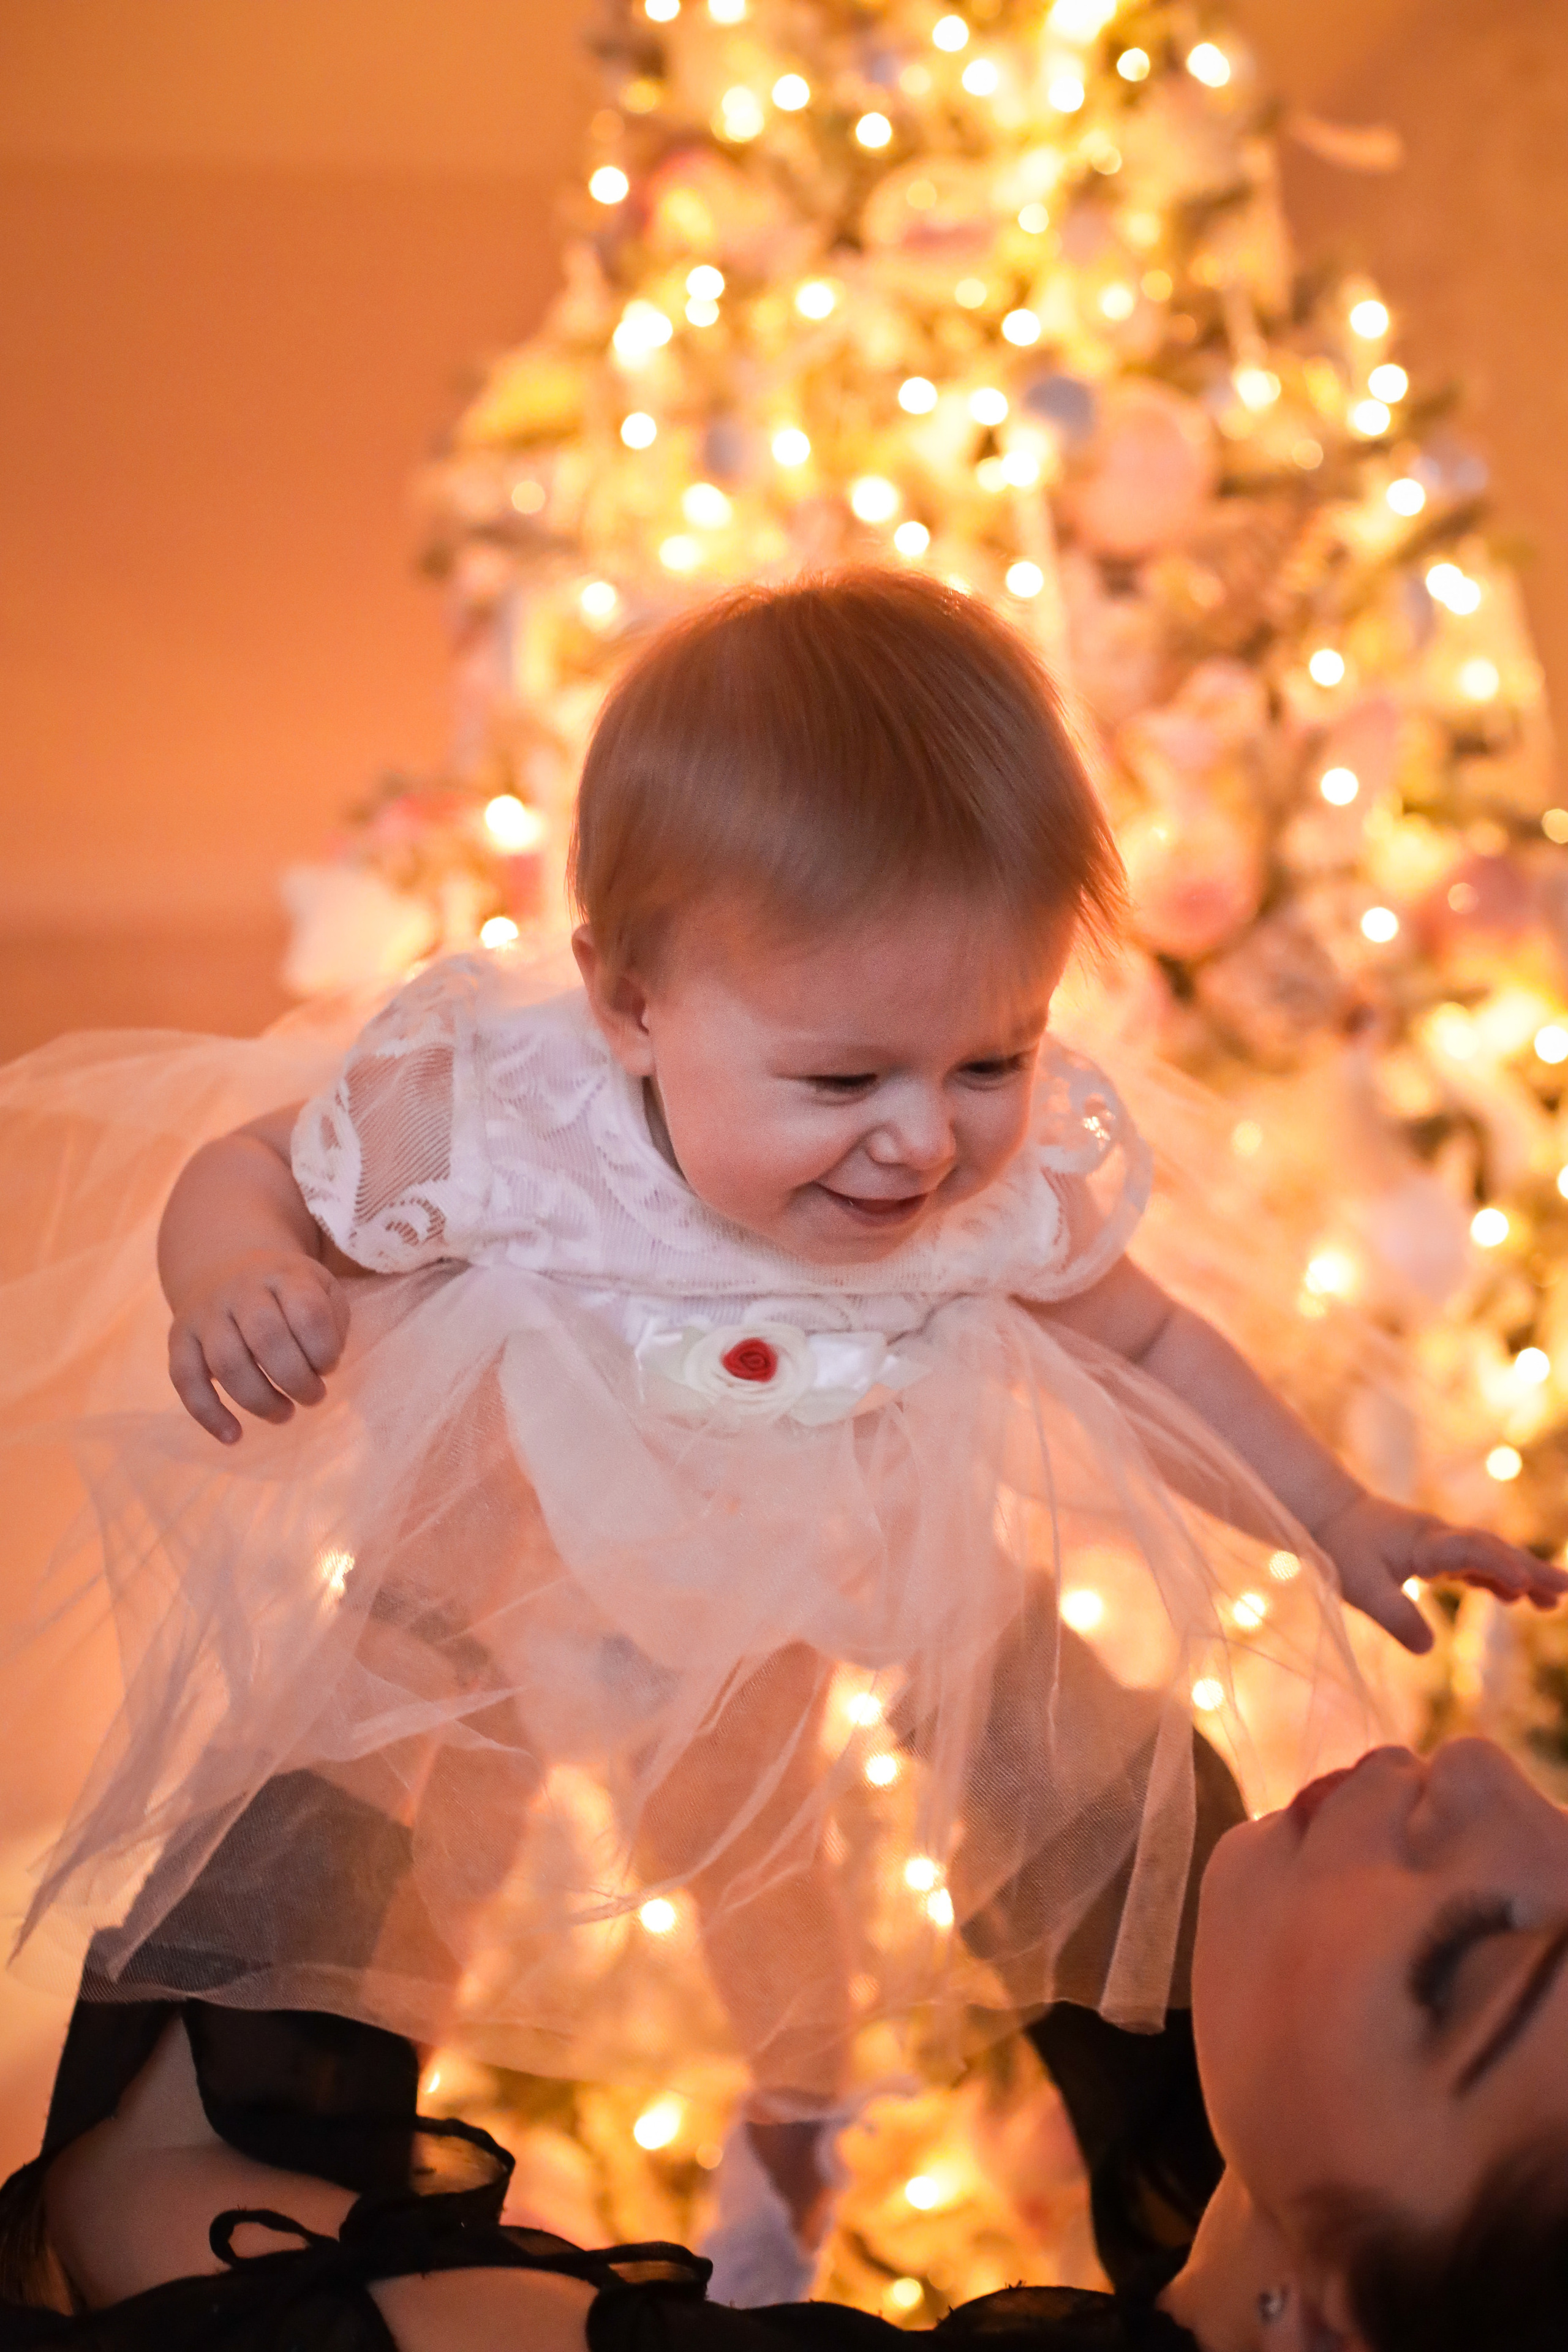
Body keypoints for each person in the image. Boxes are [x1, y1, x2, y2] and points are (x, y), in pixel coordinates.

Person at [5, 573, 1559, 2303]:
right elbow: (249, 1169)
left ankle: (808, 2096)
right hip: (528, 1561)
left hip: (834, 1559)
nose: (924, 1145)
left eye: (998, 1056)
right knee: (421, 1841)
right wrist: (234, 1274)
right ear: (631, 1005)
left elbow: (1145, 1338)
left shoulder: (990, 1189)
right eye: (844, 1084)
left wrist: (1337, 1519)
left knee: (805, 1832)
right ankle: (344, 2131)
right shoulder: (513, 1109)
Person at [1, 1734, 1564, 2348]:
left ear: (1341, 2318)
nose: (1484, 1774)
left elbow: (158, 2216)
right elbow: (1077, 1804)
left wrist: (433, 1635)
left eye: (1473, 1960)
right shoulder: (1248, 2204)